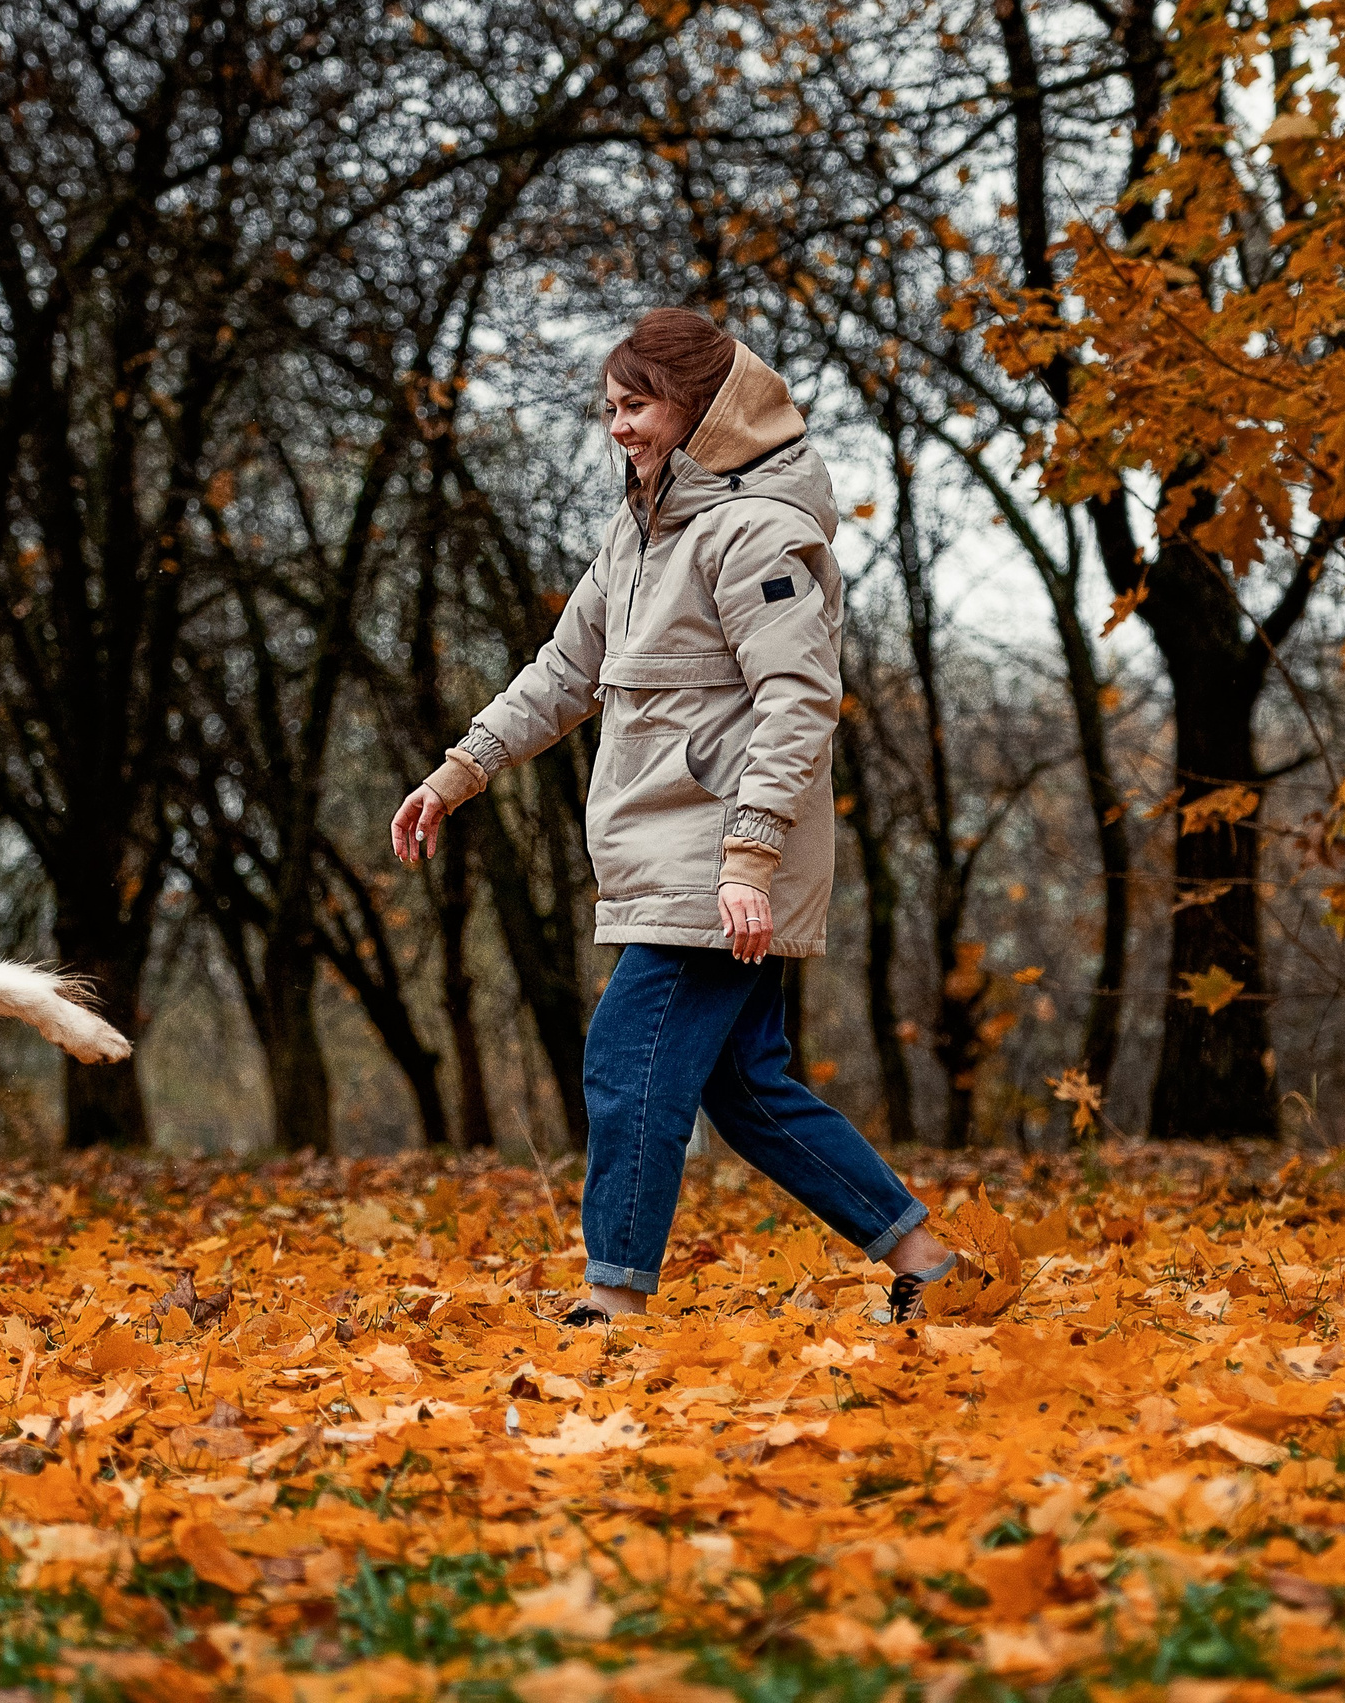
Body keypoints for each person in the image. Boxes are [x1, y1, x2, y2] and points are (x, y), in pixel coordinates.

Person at [390, 307, 966, 1325]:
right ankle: (933, 1264)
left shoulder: (757, 533)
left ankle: (611, 1300)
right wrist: (458, 771)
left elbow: (797, 700)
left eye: (638, 405)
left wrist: (748, 858)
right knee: (748, 1090)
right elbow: (562, 672)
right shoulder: (638, 534)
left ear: (700, 407)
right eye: (610, 407)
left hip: (720, 863)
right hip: (673, 856)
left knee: (627, 1064)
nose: (618, 426)